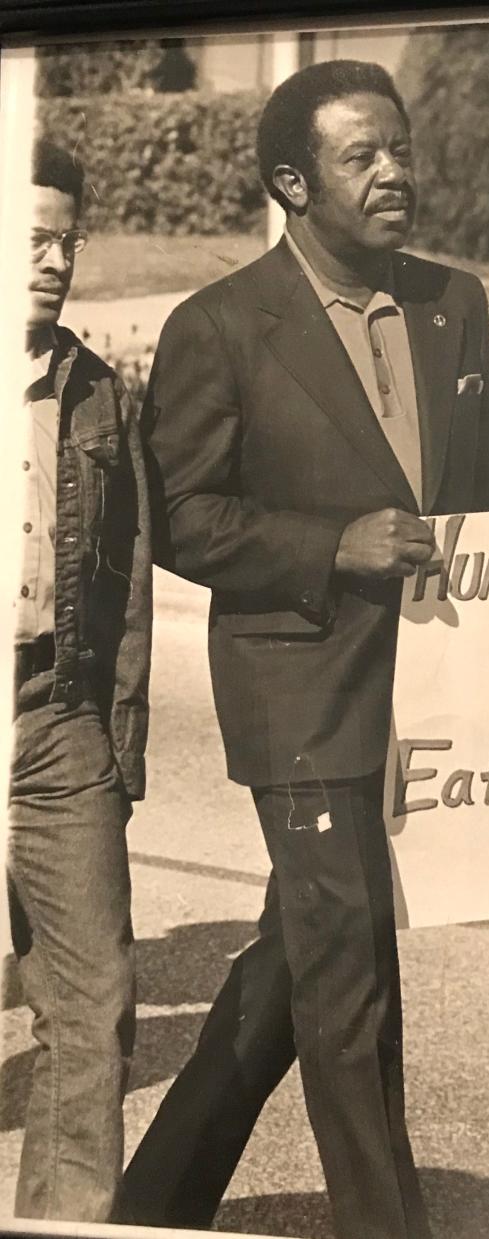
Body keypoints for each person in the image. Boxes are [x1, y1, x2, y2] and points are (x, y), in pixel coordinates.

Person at [119, 60, 489, 1239]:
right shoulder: (222, 325)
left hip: (434, 698)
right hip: (301, 694)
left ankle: (147, 1206)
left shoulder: (455, 305)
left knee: (300, 961)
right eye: (361, 156)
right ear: (293, 182)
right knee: (351, 992)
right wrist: (330, 544)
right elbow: (181, 516)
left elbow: (488, 496)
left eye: (400, 147)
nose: (395, 172)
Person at [8, 139, 152, 1222]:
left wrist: (118, 740)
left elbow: (131, 572)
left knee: (93, 1003)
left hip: (56, 716)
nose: (53, 260)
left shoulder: (95, 389)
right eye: (31, 236)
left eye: (67, 239)